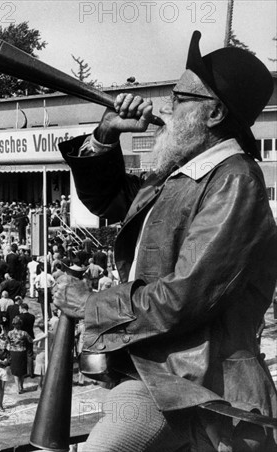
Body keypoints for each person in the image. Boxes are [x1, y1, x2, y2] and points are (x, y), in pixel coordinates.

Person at [55, 32, 277, 451]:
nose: (166, 109)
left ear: (212, 113)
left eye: (179, 98)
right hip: (159, 375)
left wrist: (91, 305)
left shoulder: (235, 180)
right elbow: (109, 200)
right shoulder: (182, 174)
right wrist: (106, 134)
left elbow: (184, 296)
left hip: (199, 386)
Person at [7, 317, 33, 394]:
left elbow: (8, 341)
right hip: (22, 352)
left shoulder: (9, 333)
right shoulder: (24, 333)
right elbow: (30, 340)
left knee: (15, 372)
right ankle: (21, 387)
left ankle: (18, 388)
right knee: (22, 371)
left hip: (13, 352)